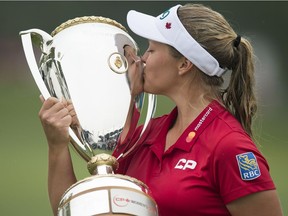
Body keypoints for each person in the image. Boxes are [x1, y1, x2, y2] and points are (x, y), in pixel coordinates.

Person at [38, 3, 283, 216]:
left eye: (152, 50)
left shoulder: (230, 146)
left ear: (184, 64)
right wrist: (57, 146)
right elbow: (77, 211)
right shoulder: (144, 135)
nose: (142, 59)